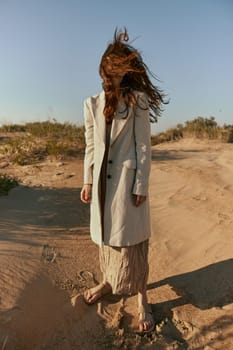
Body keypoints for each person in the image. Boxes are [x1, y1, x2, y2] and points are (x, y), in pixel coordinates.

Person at [80, 28, 166, 334]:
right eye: (106, 71)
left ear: (124, 72)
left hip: (127, 183)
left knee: (134, 243)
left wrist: (141, 183)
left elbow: (143, 145)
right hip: (103, 182)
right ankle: (107, 281)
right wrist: (88, 180)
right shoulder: (91, 103)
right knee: (104, 237)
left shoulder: (137, 100)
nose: (109, 77)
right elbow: (91, 144)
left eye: (115, 72)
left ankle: (143, 298)